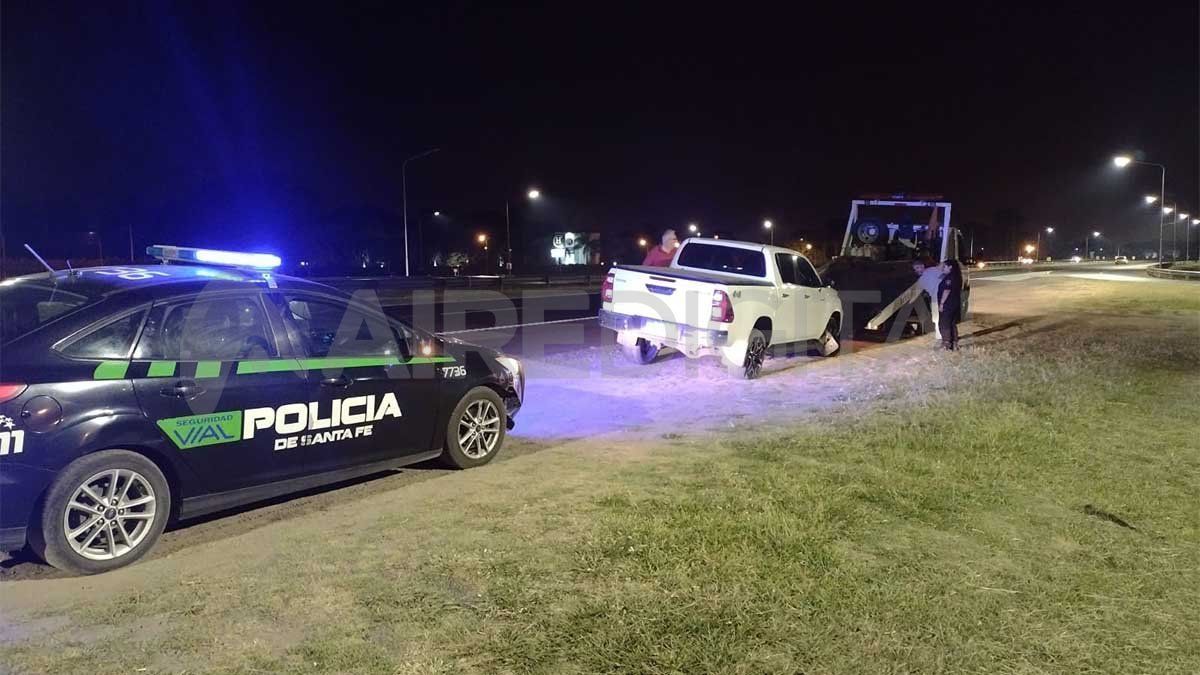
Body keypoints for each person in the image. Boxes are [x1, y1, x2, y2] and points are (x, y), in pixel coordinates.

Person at [937, 259, 963, 350]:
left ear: (950, 267)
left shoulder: (949, 278)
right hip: (955, 304)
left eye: (945, 266)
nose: (943, 268)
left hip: (948, 304)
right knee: (952, 324)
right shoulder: (957, 276)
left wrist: (941, 304)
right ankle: (954, 343)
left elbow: (947, 291)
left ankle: (946, 344)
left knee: (944, 324)